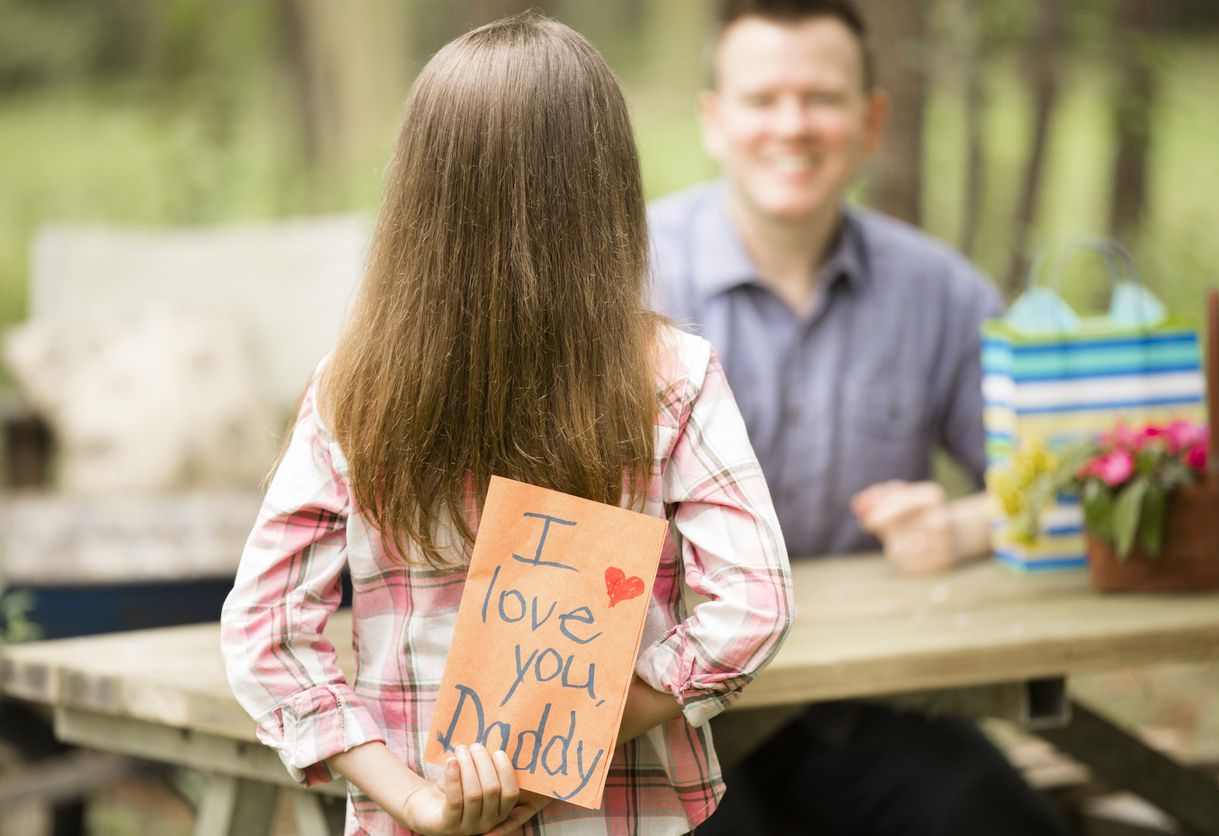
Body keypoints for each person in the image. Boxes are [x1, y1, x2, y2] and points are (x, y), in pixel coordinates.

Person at [219, 15, 794, 836]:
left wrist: (417, 799)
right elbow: (756, 605)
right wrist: (581, 734)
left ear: (418, 194)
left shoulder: (353, 390)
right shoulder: (672, 376)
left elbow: (263, 634)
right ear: (606, 190)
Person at [649, 1, 1070, 834]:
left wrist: (963, 524)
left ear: (873, 120)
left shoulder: (939, 292)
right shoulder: (626, 284)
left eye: (824, 98)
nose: (793, 126)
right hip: (675, 719)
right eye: (763, 99)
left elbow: (1054, 476)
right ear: (714, 120)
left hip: (875, 706)